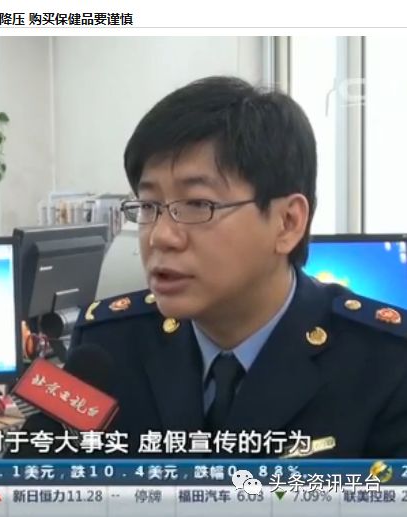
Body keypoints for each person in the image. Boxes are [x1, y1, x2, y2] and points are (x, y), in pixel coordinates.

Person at [70, 76, 407, 458]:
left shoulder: (387, 364)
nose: (160, 236)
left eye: (198, 204)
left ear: (287, 223)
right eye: (149, 206)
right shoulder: (106, 347)